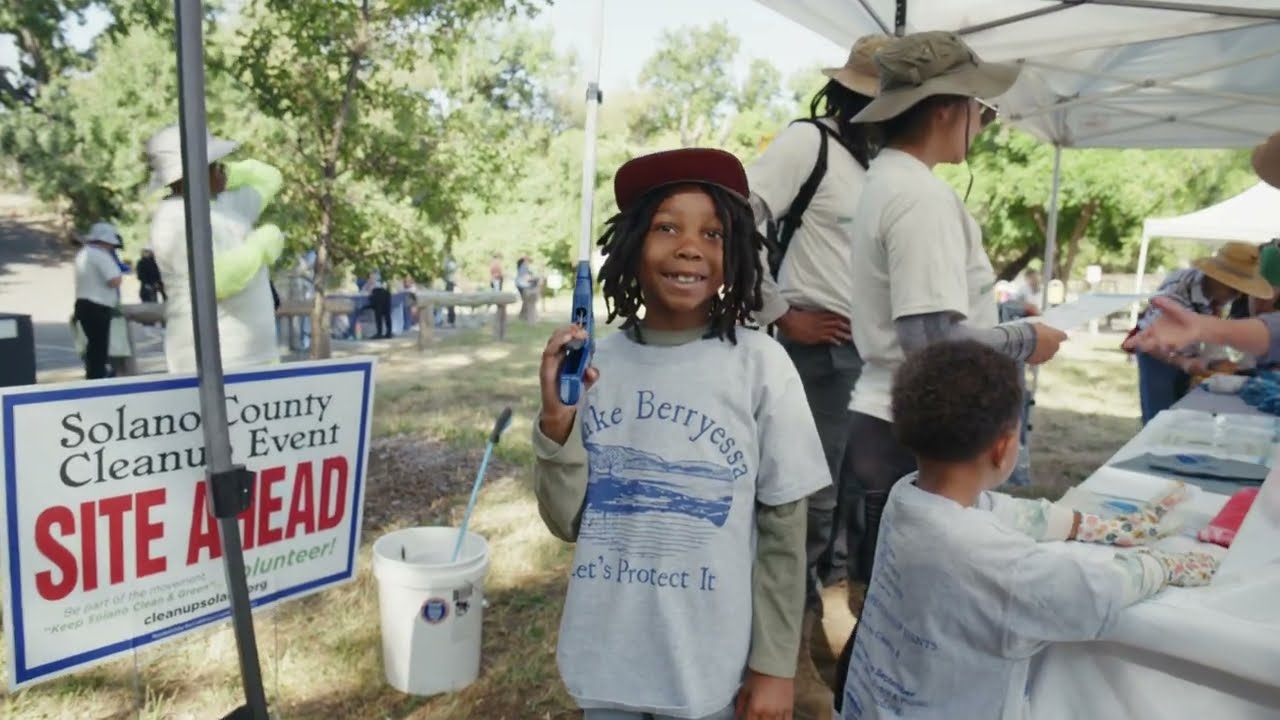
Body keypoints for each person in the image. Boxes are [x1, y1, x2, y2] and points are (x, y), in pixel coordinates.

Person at [533, 148, 831, 720]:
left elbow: (784, 533)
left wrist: (773, 666)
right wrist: (556, 423)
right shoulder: (593, 366)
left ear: (735, 251)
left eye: (713, 233)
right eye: (667, 227)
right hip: (605, 662)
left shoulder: (760, 365)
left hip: (709, 670)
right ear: (630, 246)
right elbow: (566, 523)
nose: (691, 246)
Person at [833, 340, 1219, 719]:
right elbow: (1093, 591)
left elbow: (1009, 512)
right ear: (1003, 447)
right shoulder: (996, 561)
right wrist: (1165, 566)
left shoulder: (908, 495)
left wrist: (1095, 526)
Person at [842, 31, 1066, 597]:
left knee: (885, 614)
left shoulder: (890, 181)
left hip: (887, 421)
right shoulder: (919, 196)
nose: (980, 118)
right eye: (978, 106)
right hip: (908, 432)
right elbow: (931, 339)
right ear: (947, 109)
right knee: (902, 617)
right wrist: (1024, 337)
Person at [746, 38, 888, 699]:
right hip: (818, 353)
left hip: (873, 358)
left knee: (859, 502)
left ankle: (830, 635)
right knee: (807, 498)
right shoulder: (814, 144)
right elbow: (736, 214)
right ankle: (784, 657)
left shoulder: (885, 163)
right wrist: (777, 310)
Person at [145, 124, 285, 373]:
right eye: (214, 165)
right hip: (218, 361)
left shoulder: (225, 205)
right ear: (194, 173)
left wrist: (234, 173)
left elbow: (270, 178)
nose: (222, 170)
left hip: (257, 358)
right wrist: (260, 246)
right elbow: (216, 280)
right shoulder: (173, 220)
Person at [1126, 242, 1272, 424]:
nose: (1237, 295)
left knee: (1182, 410)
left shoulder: (1215, 291)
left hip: (1188, 350)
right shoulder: (1175, 294)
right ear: (1217, 278)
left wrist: (1205, 357)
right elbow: (1150, 342)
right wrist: (1185, 363)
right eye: (1234, 288)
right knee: (1159, 416)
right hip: (1157, 355)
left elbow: (1208, 321)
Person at [73, 222, 125, 379]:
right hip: (97, 305)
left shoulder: (84, 253)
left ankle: (94, 374)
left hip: (83, 303)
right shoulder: (100, 256)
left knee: (93, 346)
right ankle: (97, 377)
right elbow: (113, 280)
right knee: (99, 348)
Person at [365, 271, 393, 338]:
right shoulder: (381, 280)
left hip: (377, 294)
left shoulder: (371, 283)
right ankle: (389, 333)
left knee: (378, 315)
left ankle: (379, 333)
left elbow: (369, 292)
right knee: (387, 315)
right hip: (386, 294)